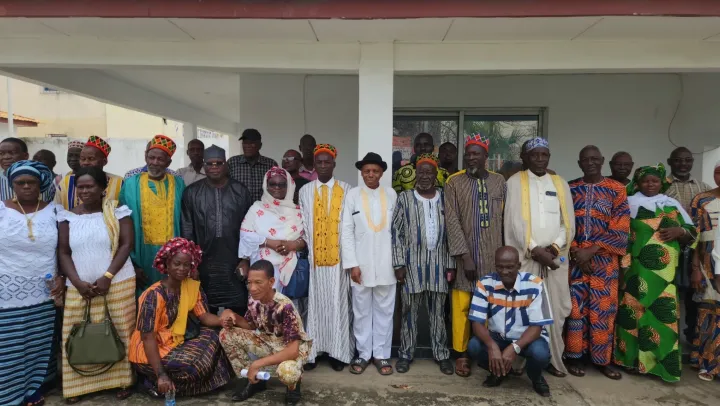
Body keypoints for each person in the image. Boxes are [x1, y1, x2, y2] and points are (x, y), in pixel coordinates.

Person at [57, 167, 136, 402]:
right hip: (79, 287)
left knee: (120, 331)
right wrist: (78, 283)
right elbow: (63, 252)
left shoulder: (118, 213)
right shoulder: (66, 216)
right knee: (76, 332)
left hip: (117, 282)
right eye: (80, 186)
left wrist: (107, 276)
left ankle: (123, 381)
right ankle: (77, 386)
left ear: (103, 188)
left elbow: (125, 245)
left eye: (90, 186)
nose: (84, 190)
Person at [614, 163, 696, 382]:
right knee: (634, 314)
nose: (650, 184)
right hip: (636, 270)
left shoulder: (672, 204)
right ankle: (630, 361)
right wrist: (622, 269)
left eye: (655, 181)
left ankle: (659, 366)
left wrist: (680, 231)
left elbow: (692, 233)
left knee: (661, 317)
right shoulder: (628, 204)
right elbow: (621, 237)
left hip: (664, 276)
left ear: (662, 183)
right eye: (645, 181)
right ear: (638, 183)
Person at [504, 137, 575, 377]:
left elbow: (568, 222)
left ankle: (553, 359)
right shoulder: (514, 182)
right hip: (527, 258)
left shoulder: (560, 183)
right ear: (525, 157)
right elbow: (514, 222)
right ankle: (518, 362)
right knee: (522, 309)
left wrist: (554, 249)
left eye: (544, 155)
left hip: (556, 259)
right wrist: (535, 250)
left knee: (556, 308)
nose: (540, 159)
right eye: (534, 155)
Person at [129, 238, 233, 398]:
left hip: (174, 340)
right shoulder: (154, 295)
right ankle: (153, 382)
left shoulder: (190, 286)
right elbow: (147, 337)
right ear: (167, 264)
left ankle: (166, 386)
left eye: (186, 265)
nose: (182, 269)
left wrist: (221, 321)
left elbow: (203, 315)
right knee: (197, 366)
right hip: (149, 350)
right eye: (177, 263)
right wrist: (161, 374)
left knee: (217, 336)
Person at [565, 146, 630, 380]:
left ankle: (602, 361)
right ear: (579, 163)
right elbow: (564, 225)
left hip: (605, 263)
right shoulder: (570, 189)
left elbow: (621, 228)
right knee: (575, 311)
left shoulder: (617, 190)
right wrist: (576, 253)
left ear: (602, 161)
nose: (590, 163)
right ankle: (574, 357)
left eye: (595, 159)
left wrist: (590, 251)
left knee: (603, 312)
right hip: (575, 262)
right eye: (586, 160)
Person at [444, 134, 506, 377]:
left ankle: (486, 352)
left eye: (475, 153)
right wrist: (464, 256)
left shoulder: (500, 182)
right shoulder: (453, 182)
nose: (471, 157)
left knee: (490, 306)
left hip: (493, 258)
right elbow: (451, 220)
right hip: (465, 258)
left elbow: (506, 219)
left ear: (485, 157)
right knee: (462, 307)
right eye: (467, 153)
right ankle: (461, 354)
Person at [0, 160, 58, 406]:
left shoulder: (54, 211)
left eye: (31, 182)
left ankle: (32, 389)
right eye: (20, 183)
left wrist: (61, 279)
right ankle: (8, 395)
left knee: (37, 343)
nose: (25, 187)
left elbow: (63, 248)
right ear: (12, 184)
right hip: (6, 291)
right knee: (8, 346)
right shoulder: (2, 210)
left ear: (40, 184)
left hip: (43, 291)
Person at [392, 153, 455, 375]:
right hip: (411, 266)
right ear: (416, 175)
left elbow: (451, 235)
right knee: (409, 312)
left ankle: (441, 354)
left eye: (430, 172)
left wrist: (450, 266)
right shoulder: (405, 198)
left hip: (439, 265)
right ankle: (405, 354)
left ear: (436, 174)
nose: (425, 176)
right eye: (421, 172)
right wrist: (398, 264)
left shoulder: (446, 198)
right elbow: (396, 233)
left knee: (438, 313)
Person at [219, 260, 311, 405]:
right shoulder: (253, 300)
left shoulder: (284, 306)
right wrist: (231, 315)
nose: (252, 288)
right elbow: (250, 325)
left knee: (288, 371)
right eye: (249, 283)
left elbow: (293, 351)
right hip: (268, 342)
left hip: (291, 350)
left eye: (258, 282)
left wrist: (257, 363)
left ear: (271, 282)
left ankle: (293, 385)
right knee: (226, 333)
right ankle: (254, 380)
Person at [467, 247, 553, 397]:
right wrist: (492, 346)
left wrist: (514, 347)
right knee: (474, 346)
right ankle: (499, 372)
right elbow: (477, 323)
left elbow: (538, 326)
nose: (504, 271)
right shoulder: (485, 284)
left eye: (509, 267)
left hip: (527, 338)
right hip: (498, 337)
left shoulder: (535, 284)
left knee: (540, 353)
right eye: (500, 266)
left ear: (518, 266)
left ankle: (536, 377)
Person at [298, 144, 354, 371]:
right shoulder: (305, 191)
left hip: (339, 262)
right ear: (314, 163)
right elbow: (302, 226)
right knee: (315, 307)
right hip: (315, 262)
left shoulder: (347, 189)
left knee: (337, 306)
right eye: (319, 162)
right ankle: (314, 352)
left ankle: (338, 353)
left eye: (327, 162)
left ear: (334, 164)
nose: (322, 166)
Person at [342, 152, 398, 375]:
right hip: (360, 265)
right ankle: (364, 354)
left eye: (375, 171)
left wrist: (398, 263)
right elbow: (346, 231)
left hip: (387, 263)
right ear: (361, 173)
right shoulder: (353, 195)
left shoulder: (391, 194)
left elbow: (398, 231)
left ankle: (381, 355)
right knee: (362, 311)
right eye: (367, 171)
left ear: (382, 173)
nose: (371, 175)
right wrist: (352, 264)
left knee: (385, 311)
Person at [181, 145, 253, 315]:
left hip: (234, 261)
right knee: (205, 311)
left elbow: (250, 229)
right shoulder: (191, 192)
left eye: (218, 163)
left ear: (226, 164)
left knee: (238, 312)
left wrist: (245, 259)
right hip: (204, 261)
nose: (214, 167)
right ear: (204, 166)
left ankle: (235, 342)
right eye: (210, 163)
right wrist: (192, 263)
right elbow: (187, 229)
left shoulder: (240, 191)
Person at [121, 135, 185, 295]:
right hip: (140, 258)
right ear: (145, 157)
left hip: (173, 259)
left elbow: (185, 222)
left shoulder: (178, 184)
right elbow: (121, 224)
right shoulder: (130, 184)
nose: (154, 162)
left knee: (172, 300)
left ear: (169, 163)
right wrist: (131, 264)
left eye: (160, 159)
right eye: (151, 157)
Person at [665, 146, 711, 343]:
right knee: (668, 296)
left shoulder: (704, 188)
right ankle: (668, 341)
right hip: (668, 248)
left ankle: (692, 339)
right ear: (669, 161)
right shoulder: (661, 186)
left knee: (695, 297)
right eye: (678, 160)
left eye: (687, 160)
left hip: (697, 251)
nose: (682, 164)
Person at [238, 167, 306, 298]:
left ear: (290, 186)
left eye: (282, 184)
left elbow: (307, 238)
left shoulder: (297, 211)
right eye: (272, 184)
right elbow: (245, 235)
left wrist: (293, 245)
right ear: (266, 185)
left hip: (291, 270)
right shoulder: (257, 208)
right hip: (261, 269)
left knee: (285, 309)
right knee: (261, 308)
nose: (277, 188)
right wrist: (269, 243)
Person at [689, 160, 720, 381]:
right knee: (708, 313)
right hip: (707, 263)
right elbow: (694, 237)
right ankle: (707, 364)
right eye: (719, 172)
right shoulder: (702, 199)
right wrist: (695, 268)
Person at [57, 135, 123, 210]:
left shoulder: (119, 183)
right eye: (82, 159)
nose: (86, 163)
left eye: (91, 159)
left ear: (104, 162)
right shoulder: (66, 182)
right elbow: (57, 210)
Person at [228, 128, 279, 202]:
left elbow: (276, 189)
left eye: (252, 143)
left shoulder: (270, 164)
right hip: (238, 211)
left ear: (260, 145)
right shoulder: (232, 162)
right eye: (245, 143)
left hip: (263, 210)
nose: (248, 146)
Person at [1, 137, 55, 203]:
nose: (6, 157)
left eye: (12, 153)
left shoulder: (44, 179)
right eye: (1, 153)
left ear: (26, 156)